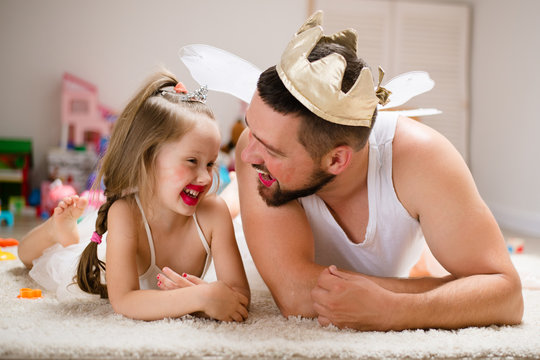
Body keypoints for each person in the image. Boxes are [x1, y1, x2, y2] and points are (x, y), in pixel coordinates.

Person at [234, 11, 523, 331]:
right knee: (223, 204)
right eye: (251, 128)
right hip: (244, 227)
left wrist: (399, 310)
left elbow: (507, 296)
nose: (247, 155)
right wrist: (451, 289)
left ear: (336, 161)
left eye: (271, 150)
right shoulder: (257, 159)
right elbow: (295, 296)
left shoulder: (424, 159)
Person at [18, 70, 250, 322]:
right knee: (32, 257)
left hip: (204, 215)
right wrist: (201, 298)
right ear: (148, 159)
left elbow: (238, 297)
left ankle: (236, 188)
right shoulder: (125, 213)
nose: (205, 178)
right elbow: (125, 300)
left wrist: (210, 298)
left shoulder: (213, 213)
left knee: (227, 207)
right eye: (192, 161)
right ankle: (56, 230)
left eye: (210, 164)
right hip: (107, 259)